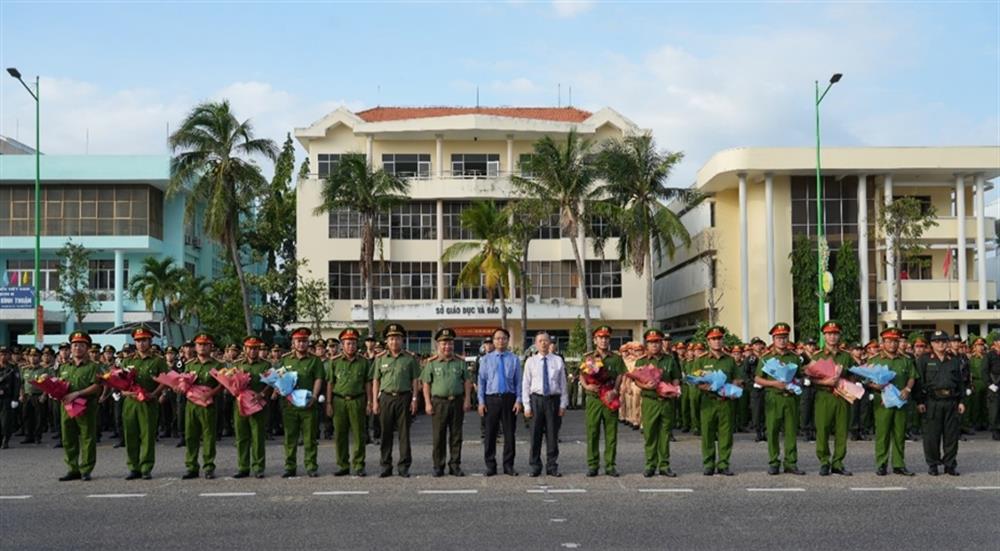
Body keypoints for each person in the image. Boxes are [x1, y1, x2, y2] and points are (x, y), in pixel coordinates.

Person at [690, 326, 742, 476]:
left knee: (726, 434)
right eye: (713, 339)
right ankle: (708, 464)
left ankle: (724, 463)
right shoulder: (701, 360)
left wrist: (734, 387)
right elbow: (695, 379)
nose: (717, 341)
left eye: (719, 338)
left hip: (726, 401)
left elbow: (738, 378)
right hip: (708, 401)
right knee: (707, 434)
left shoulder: (730, 360)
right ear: (708, 341)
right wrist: (708, 387)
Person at [755, 323, 806, 476]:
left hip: (790, 398)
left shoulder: (795, 358)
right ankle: (774, 462)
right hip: (774, 397)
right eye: (778, 338)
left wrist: (795, 383)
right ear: (773, 339)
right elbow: (758, 379)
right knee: (772, 431)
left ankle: (791, 462)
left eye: (784, 337)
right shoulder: (766, 358)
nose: (782, 341)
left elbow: (800, 377)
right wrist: (774, 384)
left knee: (791, 431)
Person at [372, 323, 421, 478]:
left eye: (397, 338)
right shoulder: (380, 359)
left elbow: (415, 380)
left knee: (404, 434)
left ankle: (404, 466)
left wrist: (414, 398)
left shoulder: (409, 358)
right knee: (386, 433)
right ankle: (385, 466)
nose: (394, 342)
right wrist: (374, 401)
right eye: (391, 339)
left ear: (402, 340)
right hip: (386, 398)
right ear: (387, 341)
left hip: (404, 397)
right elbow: (375, 381)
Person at [423, 328, 473, 477]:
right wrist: (427, 403)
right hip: (439, 403)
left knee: (456, 435)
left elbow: (467, 381)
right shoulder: (431, 364)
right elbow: (426, 384)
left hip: (457, 402)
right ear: (438, 345)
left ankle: (455, 465)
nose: (447, 347)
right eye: (444, 344)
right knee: (439, 436)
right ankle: (438, 466)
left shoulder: (460, 362)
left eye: (450, 343)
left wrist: (467, 399)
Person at [867, 328, 917, 476]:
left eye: (895, 341)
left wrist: (907, 389)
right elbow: (866, 379)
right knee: (883, 434)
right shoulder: (874, 360)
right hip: (882, 403)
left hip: (900, 401)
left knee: (899, 433)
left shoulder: (906, 360)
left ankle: (898, 464)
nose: (892, 345)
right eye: (889, 341)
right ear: (883, 343)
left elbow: (912, 376)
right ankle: (881, 464)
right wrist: (874, 385)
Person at [915, 330, 965, 476]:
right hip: (932, 402)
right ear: (931, 344)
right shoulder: (924, 359)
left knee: (951, 436)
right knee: (932, 436)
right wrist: (919, 401)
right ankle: (933, 464)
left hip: (951, 401)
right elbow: (919, 382)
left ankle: (950, 464)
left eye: (943, 341)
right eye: (937, 341)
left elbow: (960, 382)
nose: (941, 344)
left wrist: (961, 401)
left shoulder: (954, 360)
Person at [121, 326, 168, 480]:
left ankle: (146, 467)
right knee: (131, 435)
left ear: (150, 341)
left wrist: (155, 393)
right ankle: (133, 467)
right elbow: (120, 383)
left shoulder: (158, 361)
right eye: (138, 341)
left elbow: (165, 380)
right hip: (131, 402)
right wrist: (127, 392)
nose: (141, 344)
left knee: (147, 436)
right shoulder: (127, 360)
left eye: (144, 340)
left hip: (149, 402)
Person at [809, 321, 855, 476]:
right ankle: (824, 461)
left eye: (835, 334)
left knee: (842, 430)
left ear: (839, 335)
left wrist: (848, 384)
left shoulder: (846, 356)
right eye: (829, 334)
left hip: (842, 397)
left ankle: (838, 462)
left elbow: (853, 375)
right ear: (824, 336)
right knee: (823, 429)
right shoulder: (817, 356)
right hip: (824, 396)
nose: (832, 337)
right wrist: (824, 382)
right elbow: (810, 380)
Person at [633, 329, 680, 478]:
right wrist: (645, 386)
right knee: (650, 434)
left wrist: (675, 389)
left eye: (657, 342)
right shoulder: (642, 361)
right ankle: (650, 465)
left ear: (661, 343)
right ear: (647, 344)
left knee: (665, 434)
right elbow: (636, 380)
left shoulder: (669, 360)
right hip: (650, 401)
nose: (655, 345)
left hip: (666, 402)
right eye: (652, 342)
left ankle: (665, 465)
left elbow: (676, 377)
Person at [279, 327, 325, 478]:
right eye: (298, 341)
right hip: (290, 405)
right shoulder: (286, 360)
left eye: (304, 341)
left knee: (310, 437)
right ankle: (290, 466)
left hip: (308, 405)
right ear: (293, 342)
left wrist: (314, 397)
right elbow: (280, 379)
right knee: (290, 438)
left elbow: (318, 378)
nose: (301, 344)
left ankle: (311, 465)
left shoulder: (315, 360)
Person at [327, 328, 372, 477]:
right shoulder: (334, 362)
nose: (351, 346)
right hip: (339, 400)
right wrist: (328, 403)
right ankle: (343, 465)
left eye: (353, 343)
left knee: (359, 434)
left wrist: (369, 402)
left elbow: (368, 383)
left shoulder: (364, 362)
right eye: (347, 343)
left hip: (357, 400)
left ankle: (359, 465)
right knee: (340, 434)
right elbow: (330, 383)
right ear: (342, 345)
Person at [477, 327, 523, 476]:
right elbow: (481, 382)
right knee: (490, 434)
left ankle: (508, 465)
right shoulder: (486, 359)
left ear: (508, 340)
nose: (500, 341)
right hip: (491, 399)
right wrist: (481, 402)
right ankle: (490, 465)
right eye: (497, 338)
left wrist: (518, 400)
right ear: (493, 341)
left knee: (509, 434)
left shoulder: (514, 359)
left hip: (509, 399)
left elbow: (518, 383)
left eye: (503, 338)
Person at [581, 325, 625, 477]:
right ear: (595, 340)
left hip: (609, 398)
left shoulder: (616, 358)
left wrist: (616, 390)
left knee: (611, 433)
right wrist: (587, 385)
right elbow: (581, 374)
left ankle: (610, 465)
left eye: (606, 338)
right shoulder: (589, 357)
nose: (604, 341)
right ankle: (593, 465)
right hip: (594, 399)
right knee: (592, 432)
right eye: (600, 338)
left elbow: (620, 375)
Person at [58, 332, 103, 481]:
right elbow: (58, 384)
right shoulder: (64, 367)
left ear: (87, 348)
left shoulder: (93, 367)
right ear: (71, 348)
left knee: (87, 438)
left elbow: (97, 387)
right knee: (68, 438)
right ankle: (73, 469)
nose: (77, 348)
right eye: (75, 345)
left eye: (81, 345)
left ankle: (86, 469)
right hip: (66, 407)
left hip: (85, 407)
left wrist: (77, 393)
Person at [522, 331, 567, 478]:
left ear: (550, 343)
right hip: (536, 400)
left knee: (552, 435)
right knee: (535, 435)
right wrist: (526, 406)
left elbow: (563, 384)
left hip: (553, 400)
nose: (543, 343)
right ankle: (535, 466)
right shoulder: (531, 361)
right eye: (540, 341)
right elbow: (526, 385)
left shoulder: (557, 361)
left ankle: (552, 466)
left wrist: (563, 404)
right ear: (535, 344)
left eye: (546, 340)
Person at [182, 333, 224, 480]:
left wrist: (211, 393)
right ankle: (191, 466)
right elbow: (183, 382)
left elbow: (223, 384)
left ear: (210, 346)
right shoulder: (190, 364)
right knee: (190, 435)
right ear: (195, 347)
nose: (202, 347)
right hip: (191, 404)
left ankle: (209, 466)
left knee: (208, 436)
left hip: (208, 404)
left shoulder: (217, 365)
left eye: (205, 344)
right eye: (199, 344)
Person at [232, 335, 272, 479]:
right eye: (250, 348)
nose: (253, 351)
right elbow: (230, 382)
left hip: (257, 405)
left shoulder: (265, 365)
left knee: (258, 437)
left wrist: (262, 394)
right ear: (245, 349)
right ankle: (243, 467)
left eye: (256, 348)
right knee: (242, 437)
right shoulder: (238, 365)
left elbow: (271, 382)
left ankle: (258, 467)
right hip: (240, 405)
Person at [19, 348, 46, 445]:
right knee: (26, 416)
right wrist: (21, 395)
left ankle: (37, 436)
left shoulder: (44, 370)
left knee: (38, 417)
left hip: (38, 396)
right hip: (27, 396)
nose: (33, 358)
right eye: (31, 356)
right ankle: (28, 436)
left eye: (35, 356)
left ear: (39, 357)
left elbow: (48, 384)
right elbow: (21, 383)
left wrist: (44, 395)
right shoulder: (25, 369)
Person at [0, 346, 20, 449]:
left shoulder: (13, 368)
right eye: (1, 354)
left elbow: (17, 384)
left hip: (7, 398)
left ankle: (5, 440)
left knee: (5, 421)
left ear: (9, 356)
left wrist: (15, 399)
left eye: (5, 354)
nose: (3, 356)